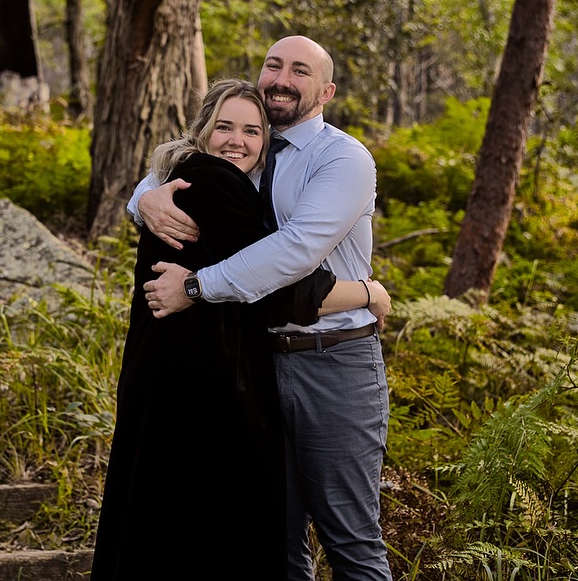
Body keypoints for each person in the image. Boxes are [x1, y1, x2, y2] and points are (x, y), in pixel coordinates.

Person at [90, 79, 388, 581]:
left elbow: (264, 269)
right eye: (224, 126)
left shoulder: (188, 180)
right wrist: (368, 292)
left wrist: (144, 199)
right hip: (194, 388)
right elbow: (283, 287)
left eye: (252, 131)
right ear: (203, 130)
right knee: (207, 536)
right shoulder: (211, 182)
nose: (238, 140)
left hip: (176, 379)